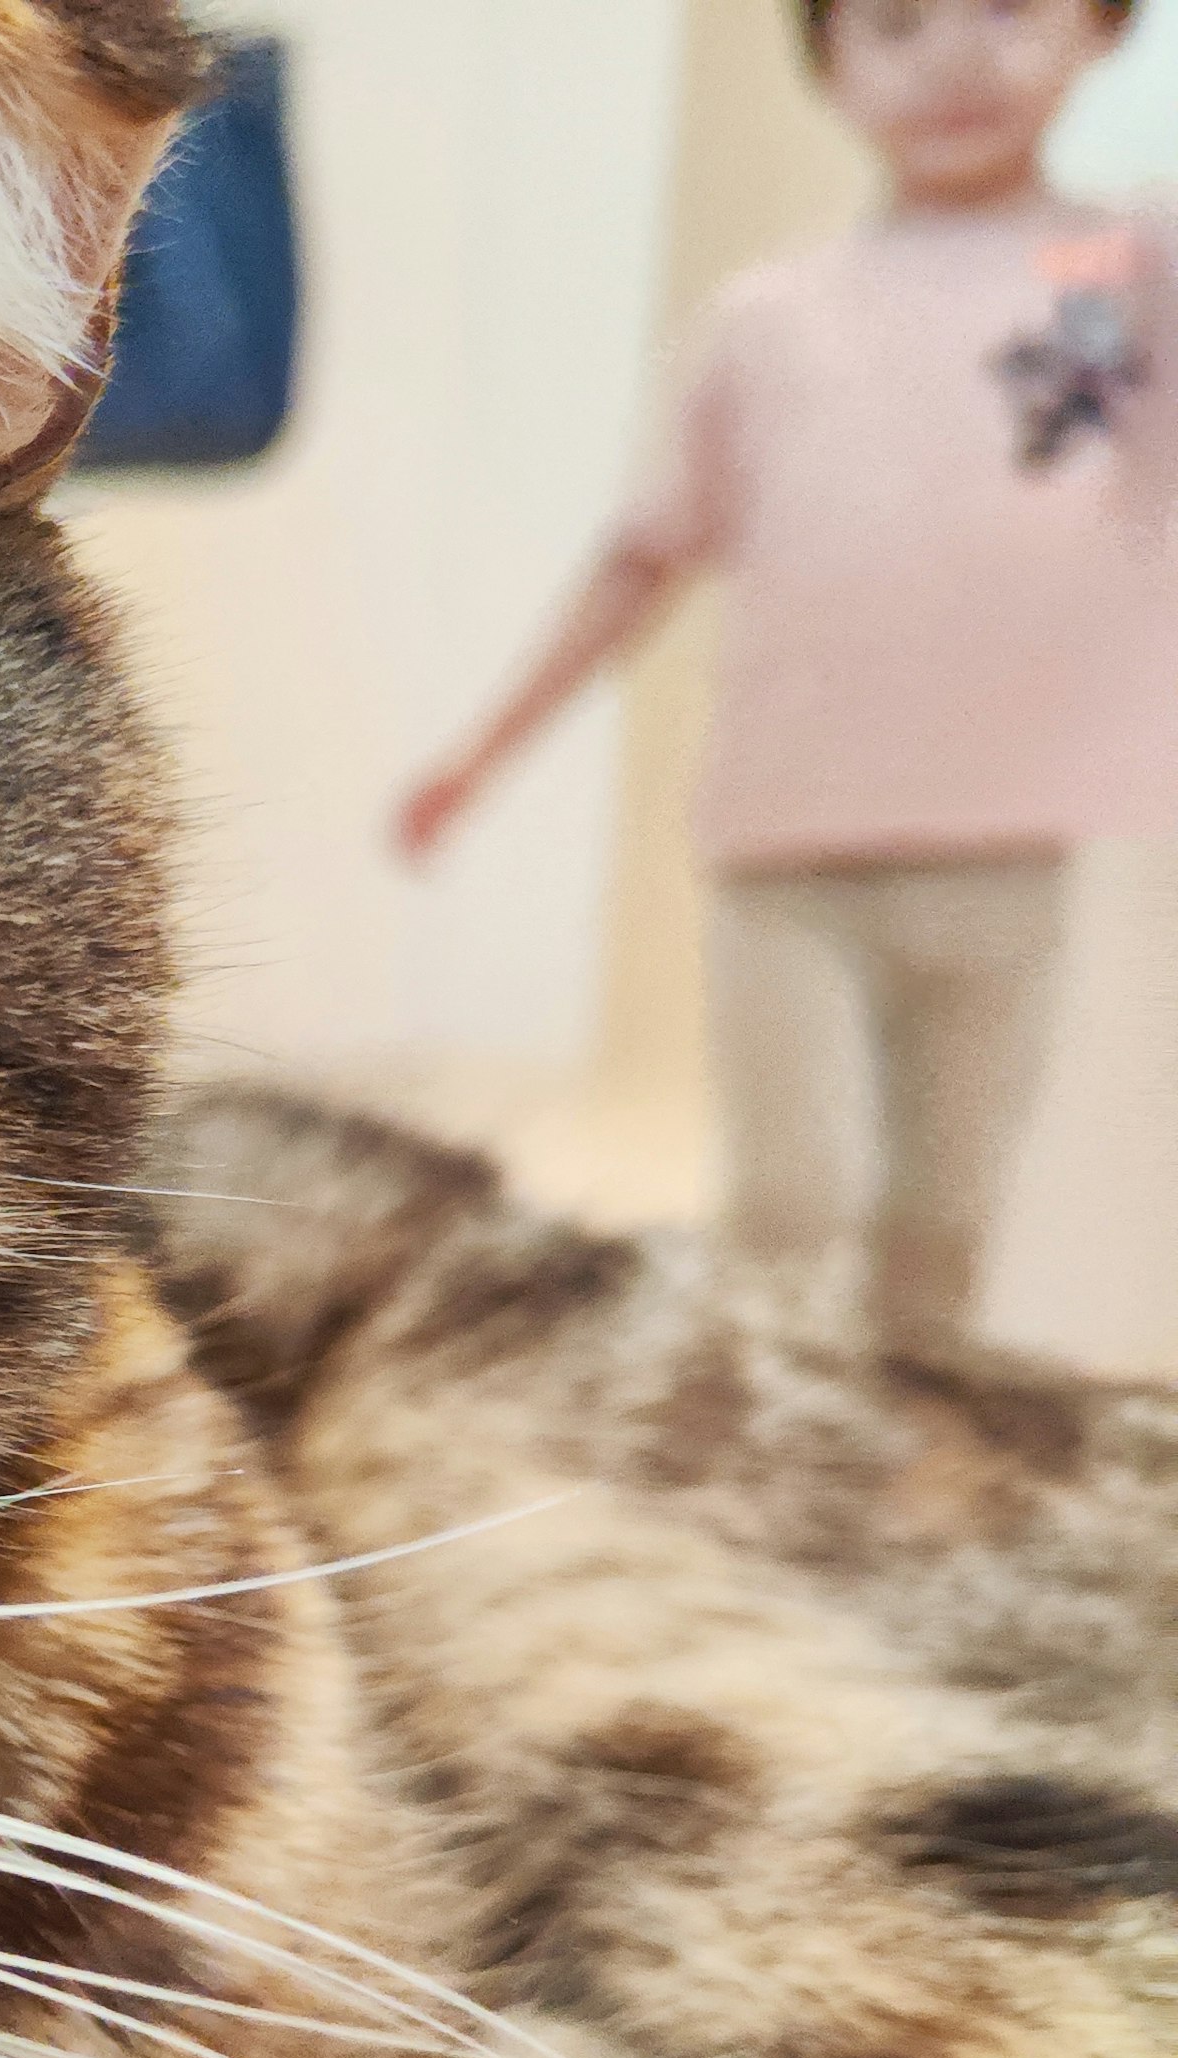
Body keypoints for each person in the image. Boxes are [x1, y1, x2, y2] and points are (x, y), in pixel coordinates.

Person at [399, 0, 1176, 1353]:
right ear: (830, 61)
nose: (954, 58)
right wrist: (480, 755)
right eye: (895, 23)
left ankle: (915, 1491)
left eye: (1006, 10)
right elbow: (639, 561)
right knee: (793, 1202)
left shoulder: (1119, 274)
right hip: (789, 855)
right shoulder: (771, 319)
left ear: (1102, 25)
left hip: (1012, 852)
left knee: (949, 1222)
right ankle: (760, 1464)